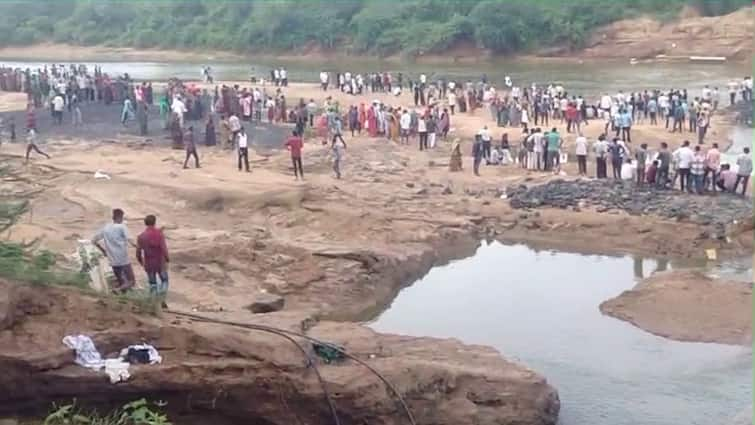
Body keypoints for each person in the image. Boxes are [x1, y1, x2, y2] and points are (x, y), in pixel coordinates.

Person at [92, 208, 135, 292]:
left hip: (112, 260)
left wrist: (103, 250)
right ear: (120, 217)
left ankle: (121, 296)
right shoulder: (122, 227)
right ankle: (117, 290)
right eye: (122, 217)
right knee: (131, 281)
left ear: (113, 217)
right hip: (123, 259)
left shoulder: (106, 228)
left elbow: (93, 240)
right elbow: (131, 241)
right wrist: (140, 247)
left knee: (122, 282)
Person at [136, 214, 169, 306]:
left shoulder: (141, 236)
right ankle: (161, 298)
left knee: (152, 283)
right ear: (154, 222)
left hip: (149, 262)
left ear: (145, 223)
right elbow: (163, 248)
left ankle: (153, 301)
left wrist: (141, 262)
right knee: (164, 280)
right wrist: (167, 259)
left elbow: (138, 252)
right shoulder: (159, 234)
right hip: (160, 262)